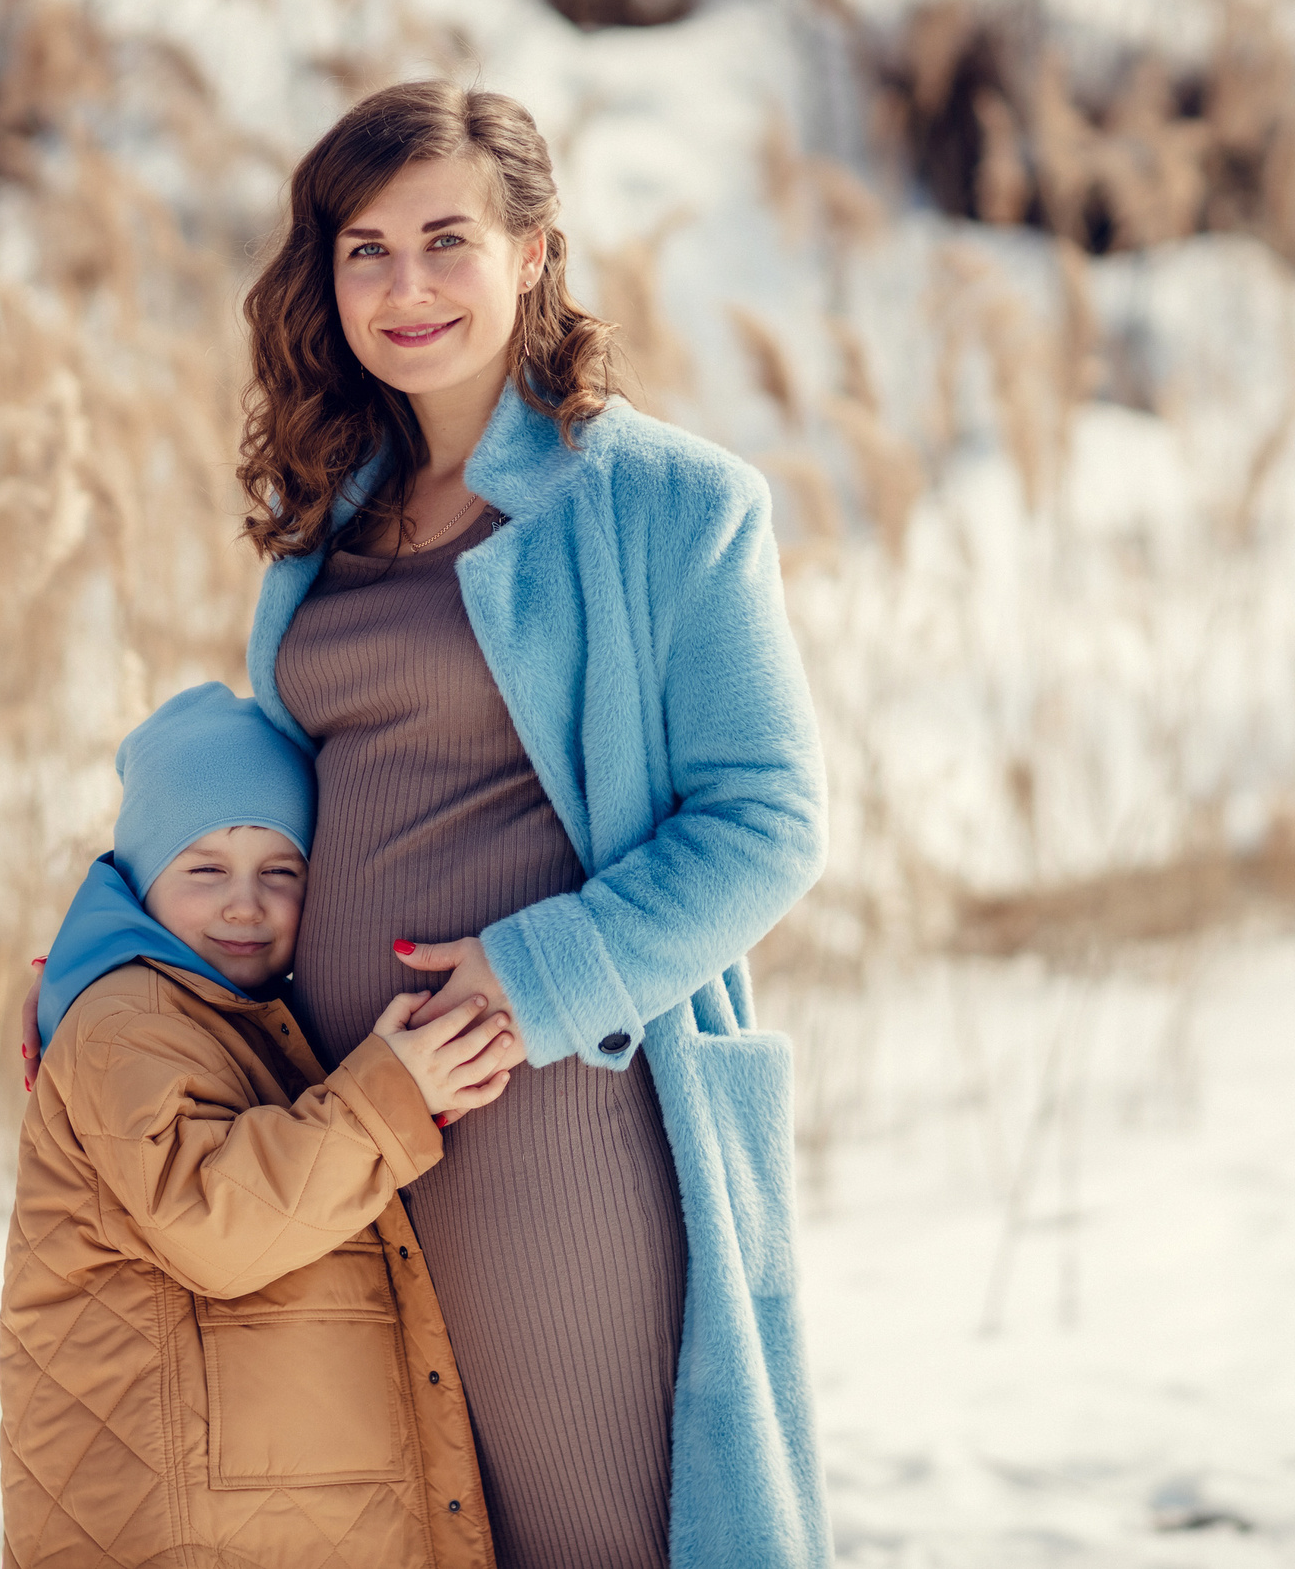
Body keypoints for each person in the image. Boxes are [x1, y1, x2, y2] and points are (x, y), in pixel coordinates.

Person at [238, 80, 830, 1568]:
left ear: (533, 250)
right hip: (339, 1130)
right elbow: (261, 796)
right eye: (364, 249)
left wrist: (536, 975)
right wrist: (121, 974)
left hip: (549, 1125)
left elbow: (768, 819)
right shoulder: (331, 507)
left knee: (597, 1534)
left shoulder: (665, 502)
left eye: (447, 239)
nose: (406, 286)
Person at [0, 681, 524, 1569]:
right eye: (204, 870)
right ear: (140, 875)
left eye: (279, 873)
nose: (245, 904)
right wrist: (389, 1094)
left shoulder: (214, 1015)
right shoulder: (127, 1021)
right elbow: (215, 1220)